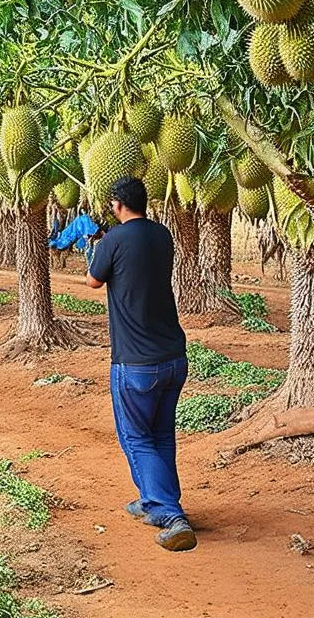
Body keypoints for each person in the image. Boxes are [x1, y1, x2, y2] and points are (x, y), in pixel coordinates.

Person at [86, 177, 195, 553]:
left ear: (117, 205)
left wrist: (97, 246)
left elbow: (93, 281)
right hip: (173, 357)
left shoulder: (113, 240)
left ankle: (169, 512)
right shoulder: (163, 235)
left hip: (136, 362)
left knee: (137, 437)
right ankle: (153, 499)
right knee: (161, 434)